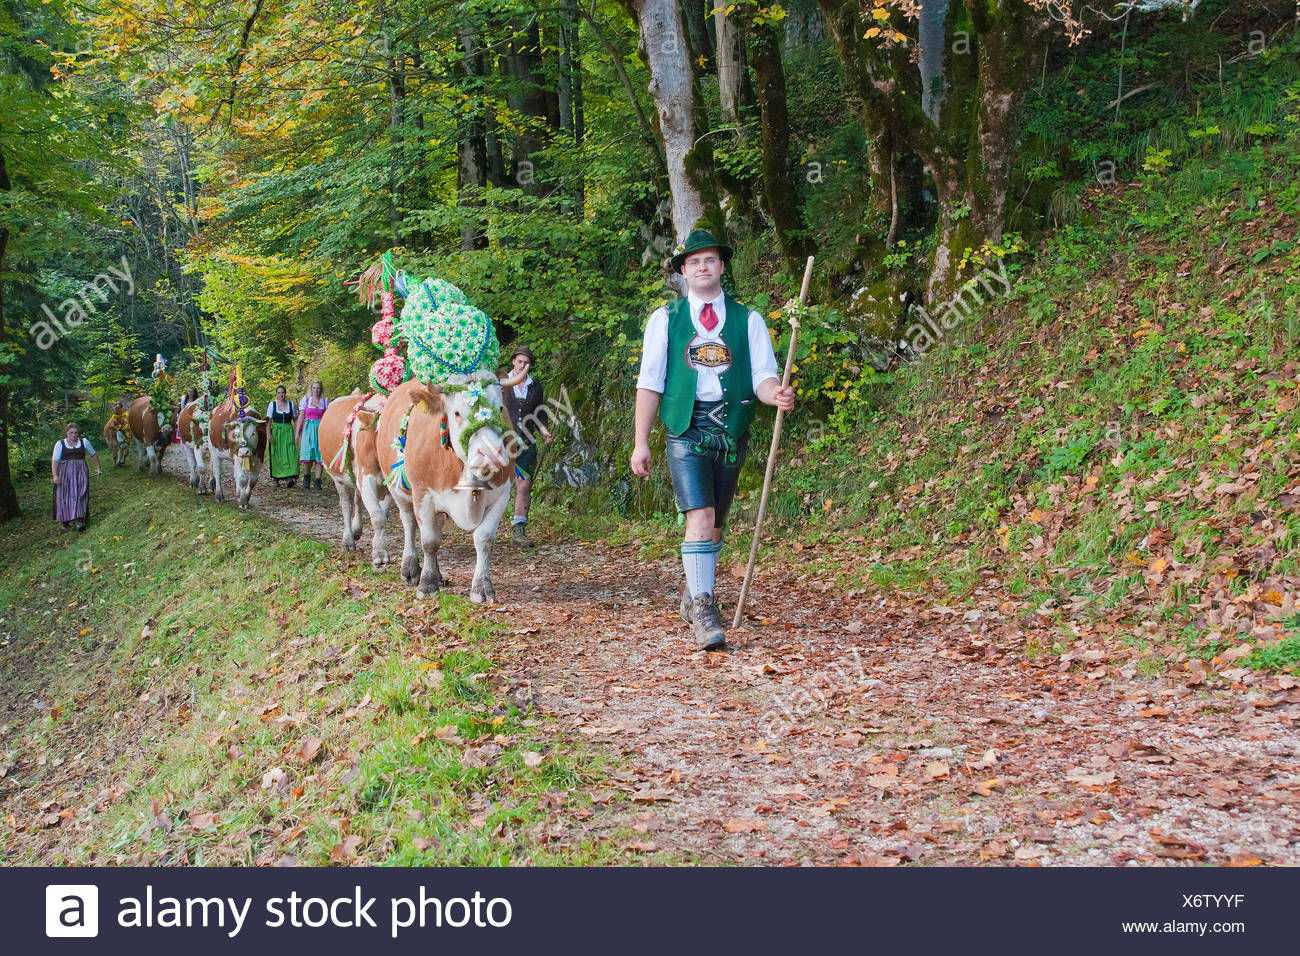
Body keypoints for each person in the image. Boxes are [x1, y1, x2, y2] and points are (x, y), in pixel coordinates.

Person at [630, 229, 795, 651]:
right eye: (693, 262)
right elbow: (650, 383)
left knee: (717, 524)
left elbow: (762, 375)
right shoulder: (665, 320)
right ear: (683, 272)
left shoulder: (749, 320)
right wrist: (640, 441)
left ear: (722, 266)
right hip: (685, 427)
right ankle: (704, 607)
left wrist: (775, 393)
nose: (702, 267)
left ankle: (692, 593)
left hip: (732, 428)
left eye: (710, 260)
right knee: (700, 517)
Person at [502, 344, 554, 547]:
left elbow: (539, 413)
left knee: (524, 485)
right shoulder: (500, 384)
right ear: (513, 361)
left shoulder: (535, 386)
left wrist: (544, 431)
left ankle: (519, 531)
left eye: (527, 363)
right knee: (496, 485)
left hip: (527, 441)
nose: (522, 365)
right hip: (502, 443)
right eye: (519, 361)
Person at [52, 422, 102, 531]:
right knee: (65, 496)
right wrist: (55, 475)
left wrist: (98, 468)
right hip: (65, 474)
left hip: (81, 472)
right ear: (67, 433)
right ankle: (65, 519)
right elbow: (55, 460)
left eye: (75, 433)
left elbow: (93, 454)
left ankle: (80, 520)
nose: (74, 435)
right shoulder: (60, 444)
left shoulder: (84, 442)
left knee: (81, 493)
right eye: (71, 433)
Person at [295, 380, 329, 490]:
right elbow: (301, 416)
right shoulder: (306, 400)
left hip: (320, 429)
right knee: (308, 455)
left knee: (319, 455)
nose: (316, 390)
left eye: (318, 388)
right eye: (314, 388)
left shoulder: (324, 402)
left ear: (321, 389)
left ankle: (318, 481)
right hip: (308, 429)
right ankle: (307, 476)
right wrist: (297, 432)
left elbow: (327, 418)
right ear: (311, 389)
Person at [266, 386, 299, 488]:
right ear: (276, 394)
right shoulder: (272, 405)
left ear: (285, 393)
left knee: (290, 453)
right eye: (279, 393)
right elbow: (268, 422)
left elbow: (295, 420)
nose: (281, 395)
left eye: (283, 393)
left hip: (288, 431)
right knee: (277, 454)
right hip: (277, 431)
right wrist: (269, 434)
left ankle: (289, 476)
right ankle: (276, 478)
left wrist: (298, 433)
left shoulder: (291, 404)